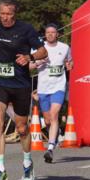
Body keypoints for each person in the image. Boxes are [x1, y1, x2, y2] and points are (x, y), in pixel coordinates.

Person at [0, 0, 47, 180]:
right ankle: (0, 170)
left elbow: (43, 51)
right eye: (2, 14)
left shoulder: (25, 29)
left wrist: (29, 56)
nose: (5, 18)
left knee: (22, 128)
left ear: (15, 13)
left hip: (20, 84)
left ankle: (27, 163)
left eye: (9, 14)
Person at [32, 23, 73, 163]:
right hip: (43, 88)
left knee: (54, 115)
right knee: (48, 119)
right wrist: (38, 62)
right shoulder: (39, 47)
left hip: (58, 87)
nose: (50, 34)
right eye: (47, 32)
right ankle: (54, 137)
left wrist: (69, 66)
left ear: (57, 34)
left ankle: (49, 148)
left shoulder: (65, 47)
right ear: (45, 34)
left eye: (52, 32)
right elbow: (29, 66)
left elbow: (70, 62)